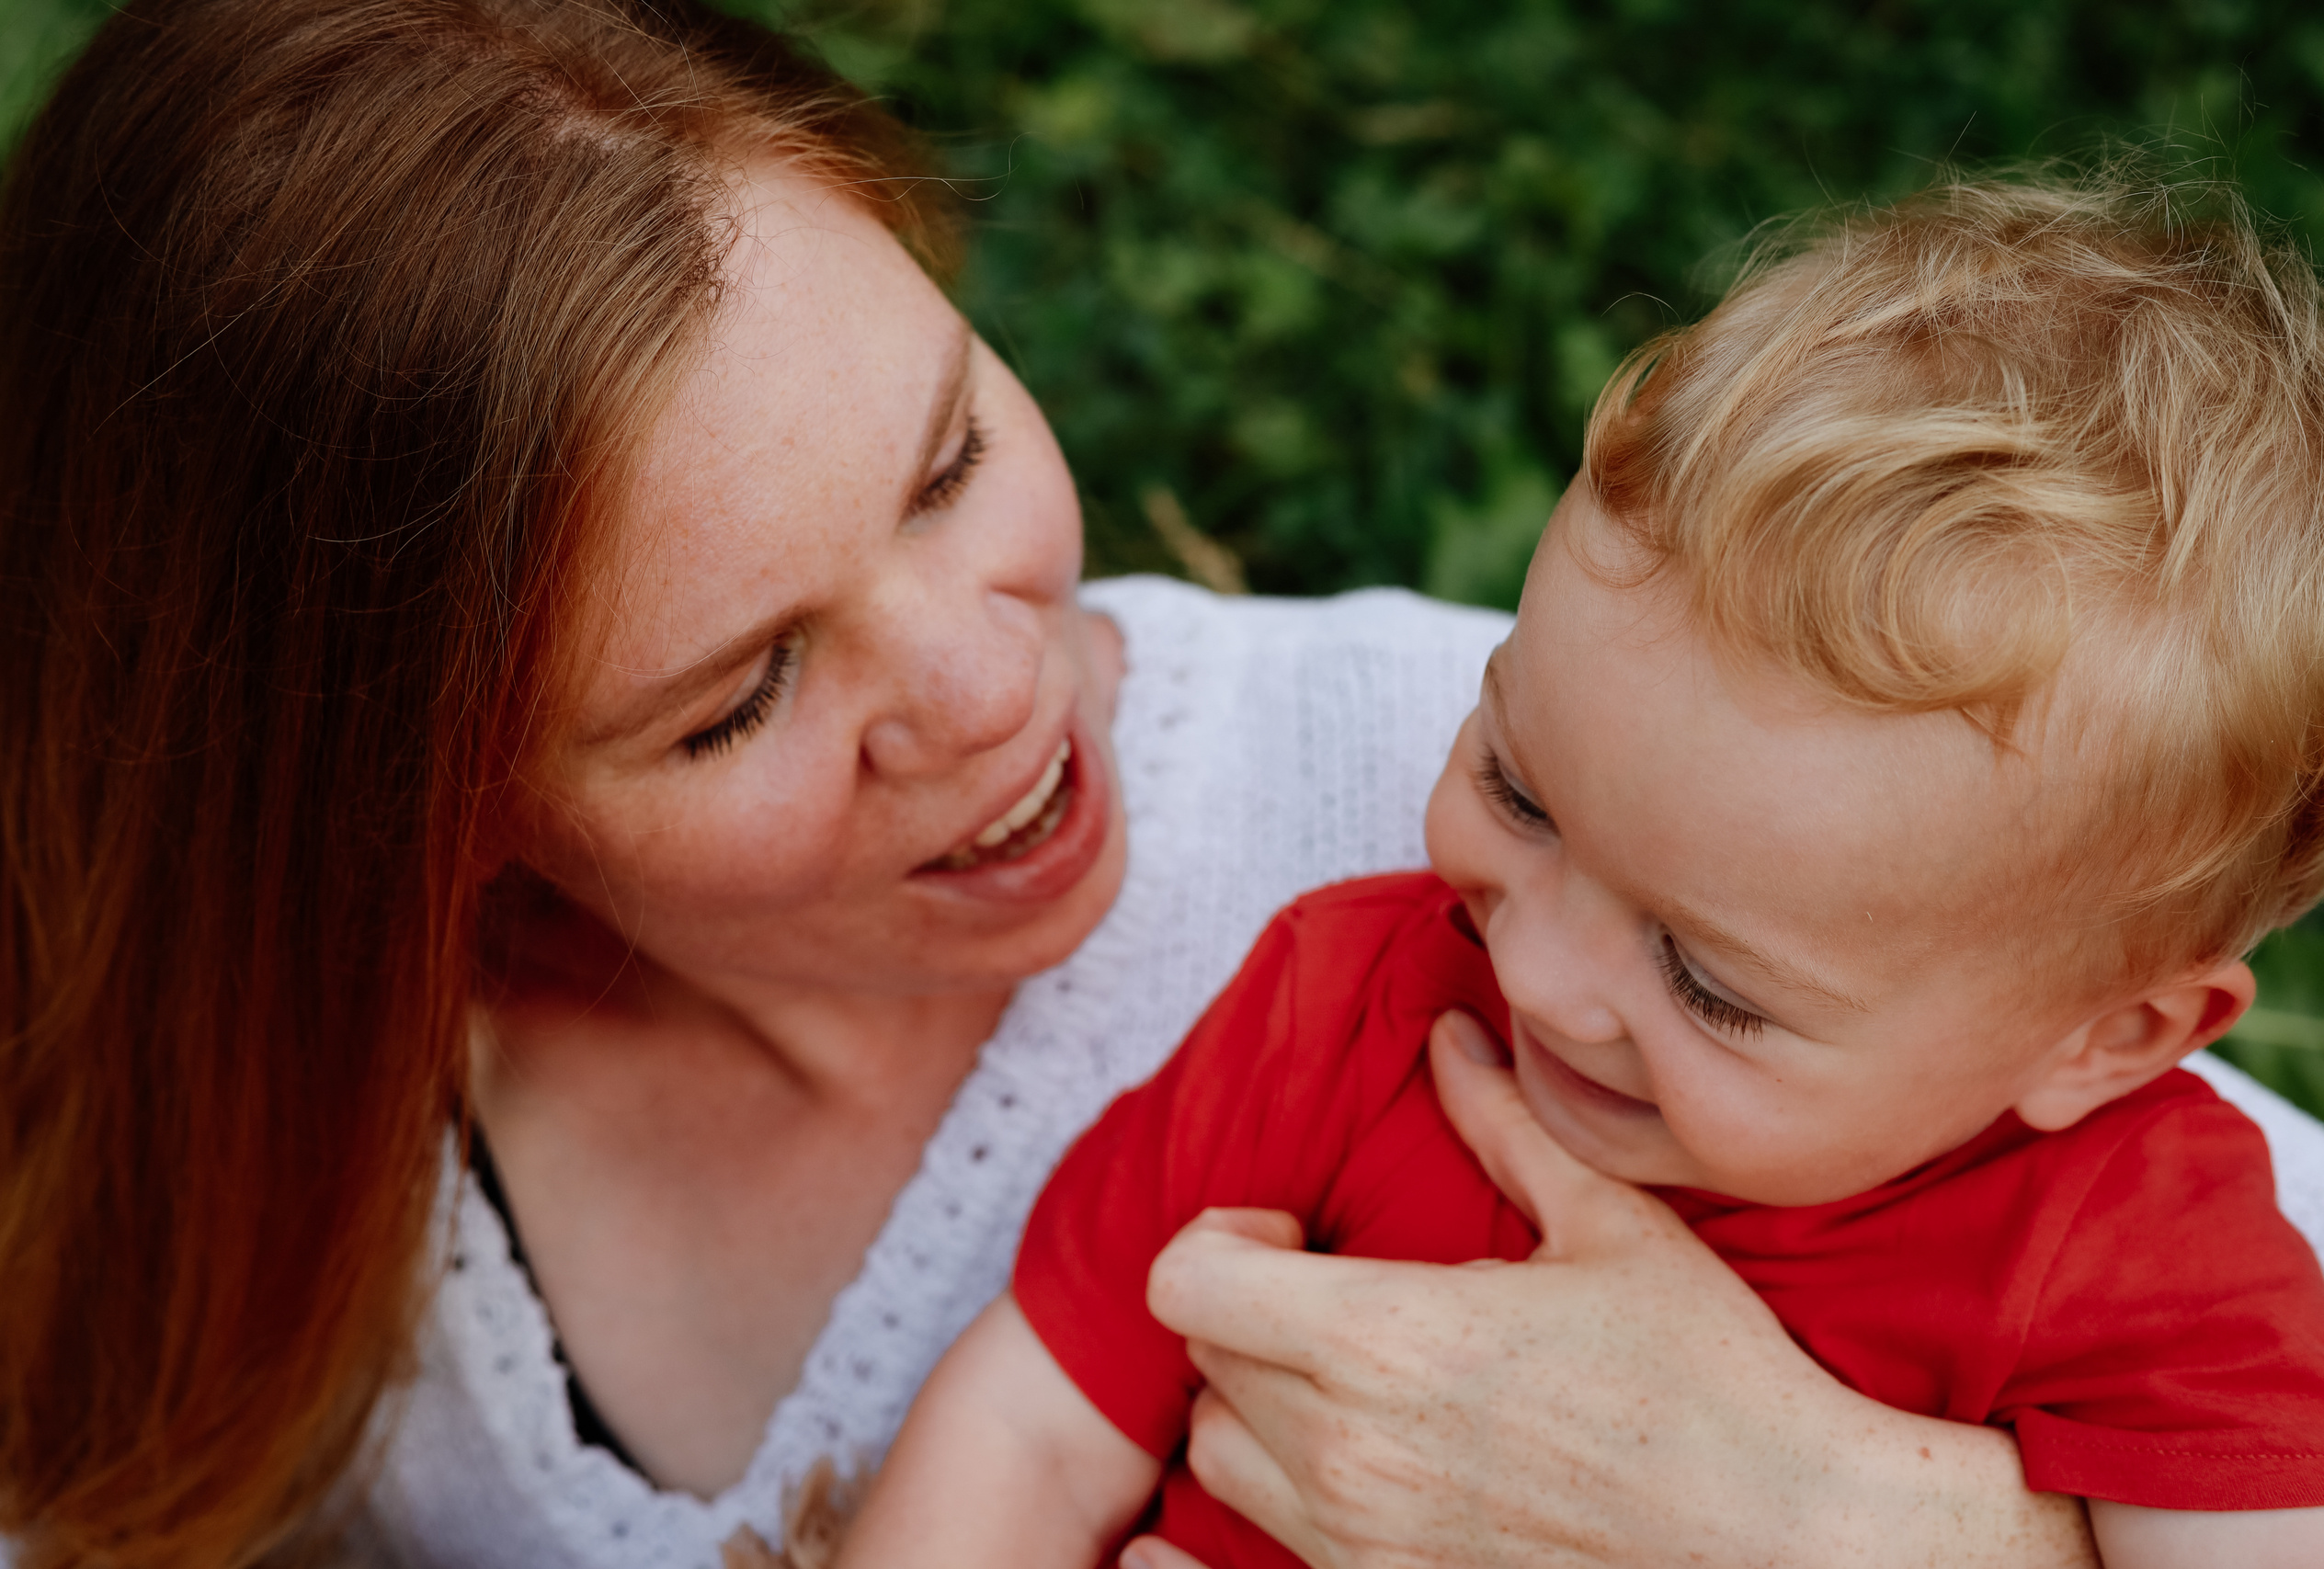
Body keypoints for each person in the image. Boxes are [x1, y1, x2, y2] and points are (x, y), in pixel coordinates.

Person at [0, 3, 2318, 1565]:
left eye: (948, 454)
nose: (992, 685)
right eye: (737, 693)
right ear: (399, 800)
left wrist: (1860, 1533)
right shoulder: (222, 1052)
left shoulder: (1640, 795)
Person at [839, 176, 2324, 1569]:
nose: (1534, 974)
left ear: (2106, 1037)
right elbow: (1032, 1431)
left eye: (1706, 982)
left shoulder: (2141, 1259)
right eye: (1517, 789)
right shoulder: (1352, 1001)